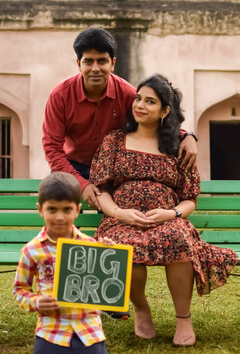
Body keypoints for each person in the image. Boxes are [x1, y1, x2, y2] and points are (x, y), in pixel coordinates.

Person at [89, 74, 239, 346]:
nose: (140, 105)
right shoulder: (114, 141)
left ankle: (183, 318)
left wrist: (172, 214)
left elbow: (189, 198)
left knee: (180, 239)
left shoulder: (177, 147)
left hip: (167, 219)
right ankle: (142, 309)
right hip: (122, 219)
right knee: (123, 245)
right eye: (137, 98)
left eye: (150, 101)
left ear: (165, 111)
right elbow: (101, 189)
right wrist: (119, 213)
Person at [42, 26, 198, 212]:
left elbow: (151, 119)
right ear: (78, 63)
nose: (95, 68)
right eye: (88, 61)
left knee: (118, 206)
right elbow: (52, 148)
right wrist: (81, 185)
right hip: (72, 165)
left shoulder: (126, 93)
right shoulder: (61, 95)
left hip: (112, 169)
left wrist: (187, 135)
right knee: (62, 207)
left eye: (102, 61)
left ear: (113, 63)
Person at [13, 172, 115, 354]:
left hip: (89, 332)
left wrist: (110, 255)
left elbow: (108, 287)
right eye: (52, 209)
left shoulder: (91, 246)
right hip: (51, 333)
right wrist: (35, 302)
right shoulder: (32, 250)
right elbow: (19, 289)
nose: (59, 217)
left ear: (76, 210)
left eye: (66, 209)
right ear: (40, 209)